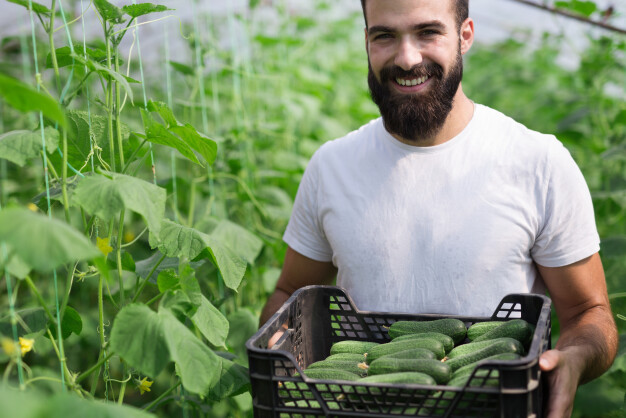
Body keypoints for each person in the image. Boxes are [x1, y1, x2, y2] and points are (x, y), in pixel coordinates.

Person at [259, 0, 618, 416]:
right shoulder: (331, 167)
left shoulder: (538, 163)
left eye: (428, 32)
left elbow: (588, 312)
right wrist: (280, 342)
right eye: (385, 36)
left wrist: (573, 359)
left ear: (464, 35)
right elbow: (289, 292)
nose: (407, 58)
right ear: (366, 42)